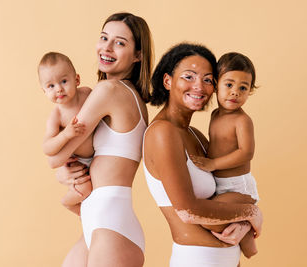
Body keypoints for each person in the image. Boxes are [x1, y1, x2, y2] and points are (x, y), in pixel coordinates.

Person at [143, 43, 263, 267]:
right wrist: (252, 213)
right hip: (198, 260)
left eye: (208, 79)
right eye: (188, 77)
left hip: (226, 259)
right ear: (168, 81)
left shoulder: (195, 135)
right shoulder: (162, 133)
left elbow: (225, 198)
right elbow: (189, 212)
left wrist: (245, 223)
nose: (199, 86)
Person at [48, 12, 153, 267]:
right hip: (102, 221)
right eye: (104, 38)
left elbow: (57, 156)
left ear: (138, 55)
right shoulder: (127, 95)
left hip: (110, 225)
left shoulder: (109, 91)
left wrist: (61, 169)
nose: (106, 47)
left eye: (119, 42)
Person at [190, 52, 260, 258]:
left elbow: (246, 153)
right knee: (211, 218)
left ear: (250, 91)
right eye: (228, 85)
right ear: (216, 84)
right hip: (220, 186)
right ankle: (237, 243)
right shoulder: (215, 115)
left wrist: (213, 164)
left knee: (206, 218)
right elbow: (217, 144)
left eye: (243, 88)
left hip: (239, 187)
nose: (235, 93)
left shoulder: (242, 120)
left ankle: (249, 240)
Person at [39, 52, 93, 215]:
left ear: (76, 80)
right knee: (85, 188)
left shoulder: (87, 94)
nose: (59, 89)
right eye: (51, 86)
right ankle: (69, 204)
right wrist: (66, 135)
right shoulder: (57, 116)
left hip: (98, 156)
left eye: (63, 81)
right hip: (80, 162)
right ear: (44, 91)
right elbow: (47, 148)